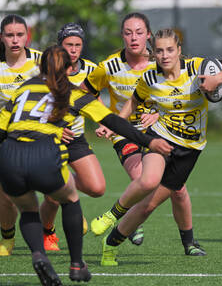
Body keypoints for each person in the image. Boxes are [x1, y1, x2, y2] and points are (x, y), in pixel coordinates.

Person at [0, 45, 172, 284]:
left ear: (41, 67)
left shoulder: (24, 88)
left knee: (28, 209)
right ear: (70, 69)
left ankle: (38, 254)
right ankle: (76, 264)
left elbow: (1, 129)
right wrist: (149, 141)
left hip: (10, 155)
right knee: (70, 199)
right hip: (43, 153)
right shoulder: (74, 94)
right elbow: (113, 121)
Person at [93, 28, 222, 266]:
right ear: (153, 54)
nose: (164, 55)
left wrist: (218, 78)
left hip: (191, 149)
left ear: (179, 51)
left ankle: (110, 244)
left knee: (147, 207)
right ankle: (110, 215)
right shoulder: (150, 78)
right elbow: (135, 101)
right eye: (159, 51)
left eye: (170, 50)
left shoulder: (196, 68)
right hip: (161, 138)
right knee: (148, 180)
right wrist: (116, 124)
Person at [83, 12, 202, 251]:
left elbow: (176, 97)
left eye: (139, 32)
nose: (133, 38)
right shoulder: (110, 66)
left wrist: (158, 114)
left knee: (178, 189)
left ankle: (189, 243)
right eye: (128, 33)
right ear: (122, 36)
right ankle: (127, 220)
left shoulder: (162, 60)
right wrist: (105, 117)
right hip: (125, 133)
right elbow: (84, 92)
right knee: (144, 179)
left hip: (160, 132)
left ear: (148, 35)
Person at [39, 23, 107, 251]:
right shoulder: (48, 69)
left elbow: (94, 98)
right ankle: (47, 232)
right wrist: (53, 127)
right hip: (49, 140)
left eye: (78, 45)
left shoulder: (91, 69)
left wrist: (103, 121)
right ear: (60, 46)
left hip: (76, 139)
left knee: (97, 188)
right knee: (52, 197)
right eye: (69, 45)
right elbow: (35, 106)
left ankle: (61, 187)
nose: (74, 49)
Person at [0, 14, 41, 256]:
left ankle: (68, 213)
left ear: (27, 36)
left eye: (19, 35)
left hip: (39, 135)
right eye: (9, 35)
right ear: (2, 38)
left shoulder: (40, 62)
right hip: (5, 137)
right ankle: (7, 236)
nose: (15, 40)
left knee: (56, 185)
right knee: (5, 195)